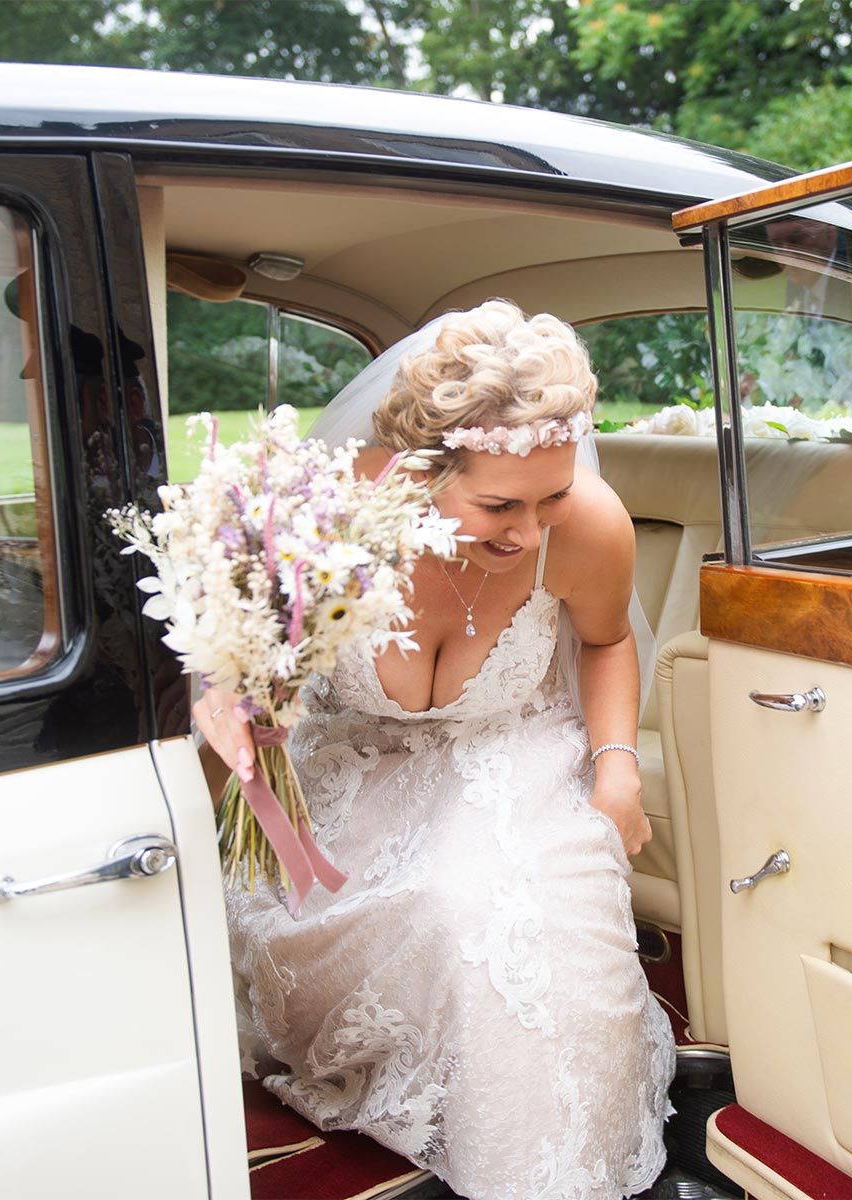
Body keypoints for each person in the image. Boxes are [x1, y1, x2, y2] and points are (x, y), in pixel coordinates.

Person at [196, 299, 674, 1198]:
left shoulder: (589, 529)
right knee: (359, 913)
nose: (528, 533)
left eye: (552, 497)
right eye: (497, 504)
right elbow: (238, 675)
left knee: (501, 915)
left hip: (509, 749)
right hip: (357, 765)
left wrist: (618, 768)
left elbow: (607, 643)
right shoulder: (322, 528)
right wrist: (233, 706)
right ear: (413, 473)